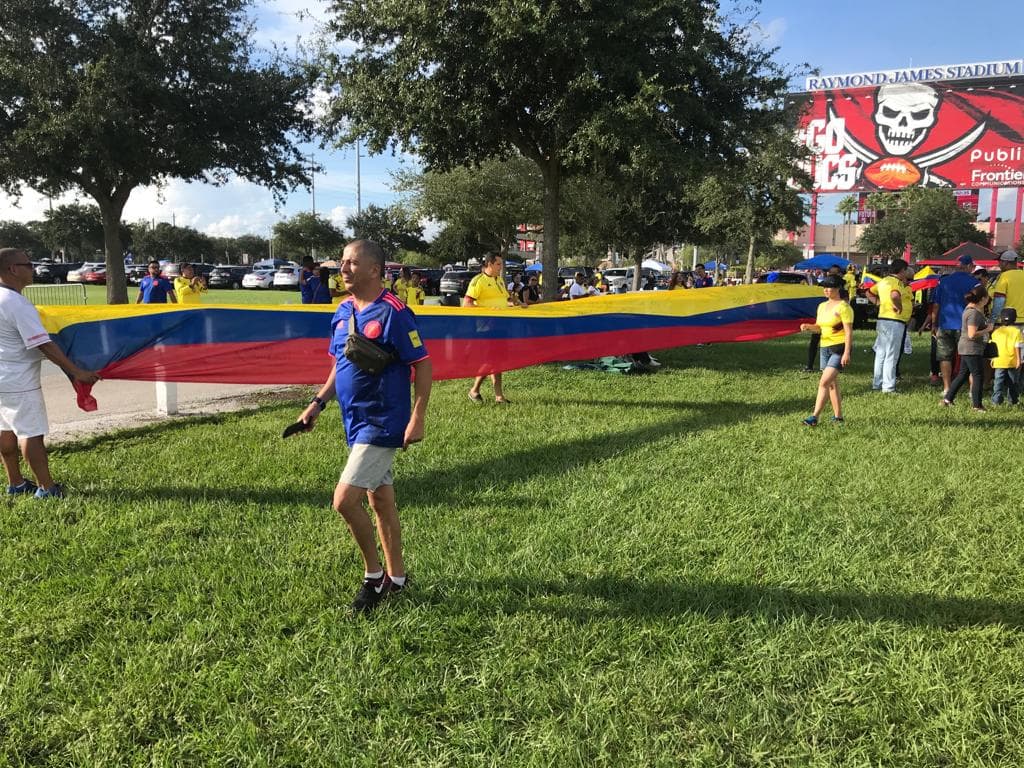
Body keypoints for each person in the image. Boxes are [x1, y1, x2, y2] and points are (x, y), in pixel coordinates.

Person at [296, 239, 432, 614]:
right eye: (342, 262)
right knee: (380, 500)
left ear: (374, 270)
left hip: (382, 422)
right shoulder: (342, 311)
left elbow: (422, 364)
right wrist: (318, 403)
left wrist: (418, 416)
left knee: (344, 501)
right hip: (354, 421)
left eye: (352, 263)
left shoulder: (395, 313)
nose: (343, 269)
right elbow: (339, 365)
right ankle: (398, 579)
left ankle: (373, 578)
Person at [0, 248, 101, 499]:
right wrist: (77, 372)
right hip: (19, 381)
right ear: (13, 269)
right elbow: (44, 344)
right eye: (28, 264)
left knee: (5, 430)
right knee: (31, 434)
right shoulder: (16, 303)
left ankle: (16, 483)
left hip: (3, 379)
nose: (33, 269)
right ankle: (46, 488)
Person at [799, 276, 853, 426]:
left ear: (838, 289)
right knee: (831, 384)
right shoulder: (822, 306)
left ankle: (814, 417)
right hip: (825, 347)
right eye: (825, 287)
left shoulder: (844, 307)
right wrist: (808, 327)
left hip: (839, 348)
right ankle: (838, 417)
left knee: (824, 382)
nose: (826, 290)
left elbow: (849, 332)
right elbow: (819, 328)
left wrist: (847, 352)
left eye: (830, 287)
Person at [929, 255, 980, 393]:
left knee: (945, 357)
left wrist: (933, 324)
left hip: (945, 324)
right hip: (966, 325)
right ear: (968, 266)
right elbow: (980, 304)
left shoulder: (943, 282)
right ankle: (972, 391)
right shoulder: (974, 283)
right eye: (972, 266)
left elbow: (936, 305)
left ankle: (947, 388)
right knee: (970, 357)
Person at [464, 254, 512, 403]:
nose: (501, 267)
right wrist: (488, 311)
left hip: (501, 325)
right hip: (486, 328)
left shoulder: (500, 280)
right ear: (490, 264)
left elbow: (506, 300)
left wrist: (516, 304)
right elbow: (467, 304)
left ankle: (499, 396)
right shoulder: (478, 281)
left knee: (497, 361)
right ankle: (474, 390)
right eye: (498, 264)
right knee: (491, 361)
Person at [941, 284, 993, 411]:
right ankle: (977, 405)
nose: (988, 300)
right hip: (971, 348)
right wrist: (987, 329)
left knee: (963, 374)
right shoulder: (973, 313)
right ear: (982, 299)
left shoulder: (970, 309)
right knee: (978, 375)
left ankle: (947, 399)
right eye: (987, 298)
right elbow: (971, 334)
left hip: (967, 347)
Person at [867, 259, 912, 393]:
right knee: (892, 354)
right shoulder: (896, 282)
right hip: (895, 320)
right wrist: (899, 307)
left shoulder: (883, 281)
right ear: (902, 270)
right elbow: (894, 295)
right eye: (906, 270)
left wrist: (878, 303)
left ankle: (877, 383)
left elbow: (868, 292)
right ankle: (888, 387)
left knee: (881, 352)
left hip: (883, 319)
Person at [990, 307, 1022, 406]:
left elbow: (993, 347)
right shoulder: (1017, 332)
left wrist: (992, 359)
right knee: (1013, 382)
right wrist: (1019, 360)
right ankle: (1013, 401)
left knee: (998, 382)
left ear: (1001, 319)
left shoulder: (996, 332)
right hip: (1012, 361)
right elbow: (1017, 346)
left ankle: (996, 401)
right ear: (1015, 319)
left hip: (999, 361)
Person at [991, 250, 1023, 319]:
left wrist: (992, 320)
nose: (999, 265)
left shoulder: (1004, 276)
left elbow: (999, 301)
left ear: (1005, 262)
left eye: (1000, 262)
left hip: (1008, 320)